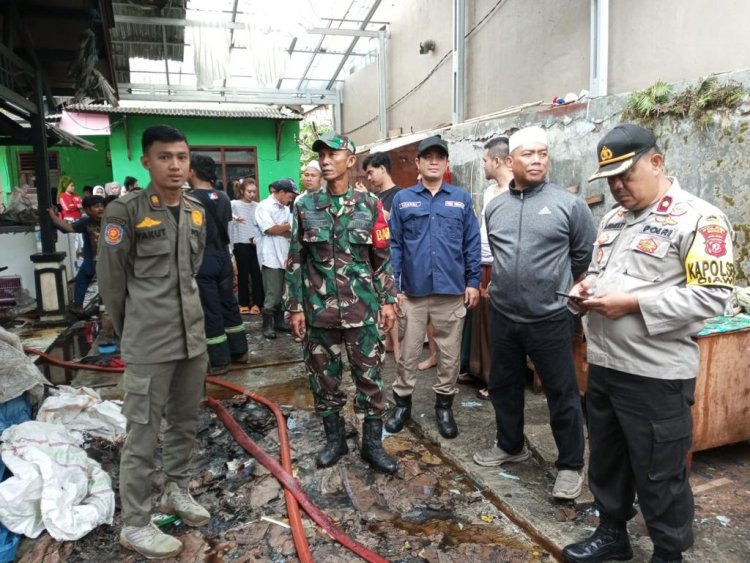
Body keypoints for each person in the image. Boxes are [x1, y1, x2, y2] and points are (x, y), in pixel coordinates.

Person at [562, 124, 735, 563]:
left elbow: (714, 296)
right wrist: (585, 291)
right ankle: (612, 533)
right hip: (605, 365)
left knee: (660, 472)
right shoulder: (613, 218)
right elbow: (603, 275)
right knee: (607, 459)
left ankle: (668, 552)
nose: (617, 187)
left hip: (656, 375)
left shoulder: (699, 219)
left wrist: (633, 304)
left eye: (625, 175)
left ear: (656, 162)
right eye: (610, 180)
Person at [97, 124, 210, 559]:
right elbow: (111, 284)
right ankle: (136, 524)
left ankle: (177, 491)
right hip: (149, 342)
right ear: (146, 161)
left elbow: (191, 272)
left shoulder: (197, 211)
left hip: (191, 340)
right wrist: (133, 333)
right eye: (165, 157)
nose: (176, 165)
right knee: (142, 435)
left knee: (184, 422)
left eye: (181, 156)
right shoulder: (124, 212)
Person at [474, 126, 596, 502]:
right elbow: (498, 254)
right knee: (503, 386)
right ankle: (511, 445)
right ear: (510, 161)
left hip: (551, 317)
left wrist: (558, 291)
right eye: (528, 154)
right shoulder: (496, 207)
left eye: (543, 153)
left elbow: (584, 256)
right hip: (506, 315)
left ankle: (570, 466)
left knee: (562, 394)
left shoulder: (568, 205)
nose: (538, 160)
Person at [285, 131, 398, 474]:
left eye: (333, 155)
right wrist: (295, 307)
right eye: (321, 155)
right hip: (319, 314)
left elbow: (382, 256)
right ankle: (334, 441)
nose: (325, 160)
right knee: (324, 380)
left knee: (370, 380)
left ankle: (372, 445)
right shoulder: (304, 205)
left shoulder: (371, 206)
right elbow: (295, 259)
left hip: (362, 312)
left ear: (350, 161)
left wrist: (389, 301)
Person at [385, 135, 481, 439]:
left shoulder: (461, 199)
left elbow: (472, 242)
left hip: (451, 291)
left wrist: (474, 281)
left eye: (440, 157)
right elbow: (395, 245)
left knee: (450, 355)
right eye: (428, 157)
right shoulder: (403, 199)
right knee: (408, 353)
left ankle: (444, 407)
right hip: (412, 293)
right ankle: (402, 405)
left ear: (447, 163)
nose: (434, 161)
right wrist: (394, 287)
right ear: (418, 162)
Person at [188, 154, 249, 374]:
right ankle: (240, 350)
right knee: (229, 303)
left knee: (210, 308)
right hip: (223, 255)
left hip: (203, 257)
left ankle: (219, 360)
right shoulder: (223, 196)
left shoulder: (190, 199)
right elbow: (227, 226)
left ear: (192, 172)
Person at [468, 136, 513, 399]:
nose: (483, 165)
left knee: (498, 325)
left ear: (497, 160)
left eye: (485, 160)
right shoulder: (488, 192)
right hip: (483, 262)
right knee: (482, 324)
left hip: (501, 266)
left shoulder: (515, 191)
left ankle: (498, 380)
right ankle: (482, 373)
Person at [362, 151, 401, 360]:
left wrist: (368, 203)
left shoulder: (398, 195)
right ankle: (386, 344)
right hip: (374, 255)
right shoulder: (376, 197)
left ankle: (397, 347)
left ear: (383, 169)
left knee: (390, 301)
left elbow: (389, 220)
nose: (369, 178)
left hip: (392, 255)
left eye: (371, 172)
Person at [47, 195, 104, 316]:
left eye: (102, 206)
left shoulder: (112, 220)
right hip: (94, 259)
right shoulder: (85, 222)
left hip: (111, 260)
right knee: (82, 279)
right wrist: (52, 216)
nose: (100, 209)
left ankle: (102, 308)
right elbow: (68, 228)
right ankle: (81, 307)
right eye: (96, 206)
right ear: (87, 210)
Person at [255, 178, 297, 338]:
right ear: (281, 192)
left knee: (282, 291)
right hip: (270, 256)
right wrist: (285, 227)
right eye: (290, 196)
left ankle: (279, 322)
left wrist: (282, 228)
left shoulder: (285, 208)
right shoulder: (263, 207)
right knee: (272, 293)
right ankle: (267, 326)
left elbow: (287, 231)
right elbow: (270, 229)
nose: (290, 199)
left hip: (284, 254)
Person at [230, 178, 264, 315]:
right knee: (242, 274)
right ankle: (243, 303)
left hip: (255, 243)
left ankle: (257, 303)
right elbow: (225, 211)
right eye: (249, 191)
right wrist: (235, 217)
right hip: (240, 243)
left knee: (257, 274)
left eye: (254, 192)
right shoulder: (234, 204)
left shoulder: (258, 206)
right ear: (242, 191)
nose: (252, 194)